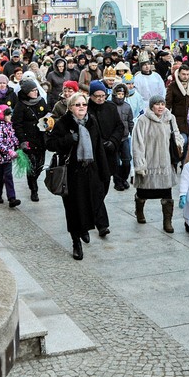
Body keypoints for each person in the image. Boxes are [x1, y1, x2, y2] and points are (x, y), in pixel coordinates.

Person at [45, 92, 112, 259]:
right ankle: (76, 242)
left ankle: (84, 229)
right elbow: (50, 144)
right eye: (78, 105)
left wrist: (105, 172)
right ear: (70, 107)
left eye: (84, 104)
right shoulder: (63, 123)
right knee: (74, 209)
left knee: (92, 204)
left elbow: (98, 148)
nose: (82, 107)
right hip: (72, 175)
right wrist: (69, 139)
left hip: (91, 171)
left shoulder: (91, 121)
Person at [131, 95, 184, 233]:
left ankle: (167, 221)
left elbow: (176, 133)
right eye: (157, 104)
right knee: (143, 192)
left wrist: (178, 143)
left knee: (167, 194)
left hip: (166, 163)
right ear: (151, 106)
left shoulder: (170, 118)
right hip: (149, 162)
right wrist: (140, 164)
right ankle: (139, 210)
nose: (161, 107)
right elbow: (138, 143)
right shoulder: (143, 120)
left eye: (162, 103)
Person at [13, 80, 49, 202]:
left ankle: (33, 181)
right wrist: (22, 141)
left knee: (40, 165)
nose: (35, 92)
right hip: (28, 140)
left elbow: (47, 114)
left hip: (41, 139)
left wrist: (47, 122)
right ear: (26, 92)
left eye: (35, 90)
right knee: (32, 167)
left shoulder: (41, 101)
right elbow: (16, 124)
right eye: (32, 91)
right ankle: (34, 189)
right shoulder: (20, 105)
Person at [88, 80, 124, 196]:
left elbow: (119, 127)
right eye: (97, 96)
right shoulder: (86, 109)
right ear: (91, 95)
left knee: (105, 184)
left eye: (103, 96)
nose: (100, 99)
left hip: (109, 152)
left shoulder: (111, 107)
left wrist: (113, 142)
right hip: (93, 154)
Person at [0, 105, 21, 208]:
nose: (10, 116)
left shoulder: (9, 125)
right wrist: (9, 151)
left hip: (7, 157)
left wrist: (18, 145)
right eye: (8, 115)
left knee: (8, 176)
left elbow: (12, 137)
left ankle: (12, 198)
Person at [110, 83, 134, 191]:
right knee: (115, 161)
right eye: (118, 94)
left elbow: (130, 121)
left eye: (122, 94)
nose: (120, 96)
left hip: (125, 137)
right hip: (114, 138)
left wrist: (132, 132)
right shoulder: (110, 106)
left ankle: (124, 178)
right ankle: (117, 181)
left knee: (126, 160)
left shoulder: (127, 107)